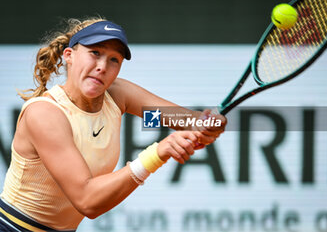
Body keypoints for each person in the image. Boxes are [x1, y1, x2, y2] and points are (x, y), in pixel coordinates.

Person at [0, 17, 226, 231]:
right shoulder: (45, 113)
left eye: (113, 60)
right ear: (69, 55)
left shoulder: (118, 96)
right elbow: (88, 202)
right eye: (94, 53)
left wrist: (208, 123)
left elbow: (179, 120)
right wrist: (156, 154)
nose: (102, 66)